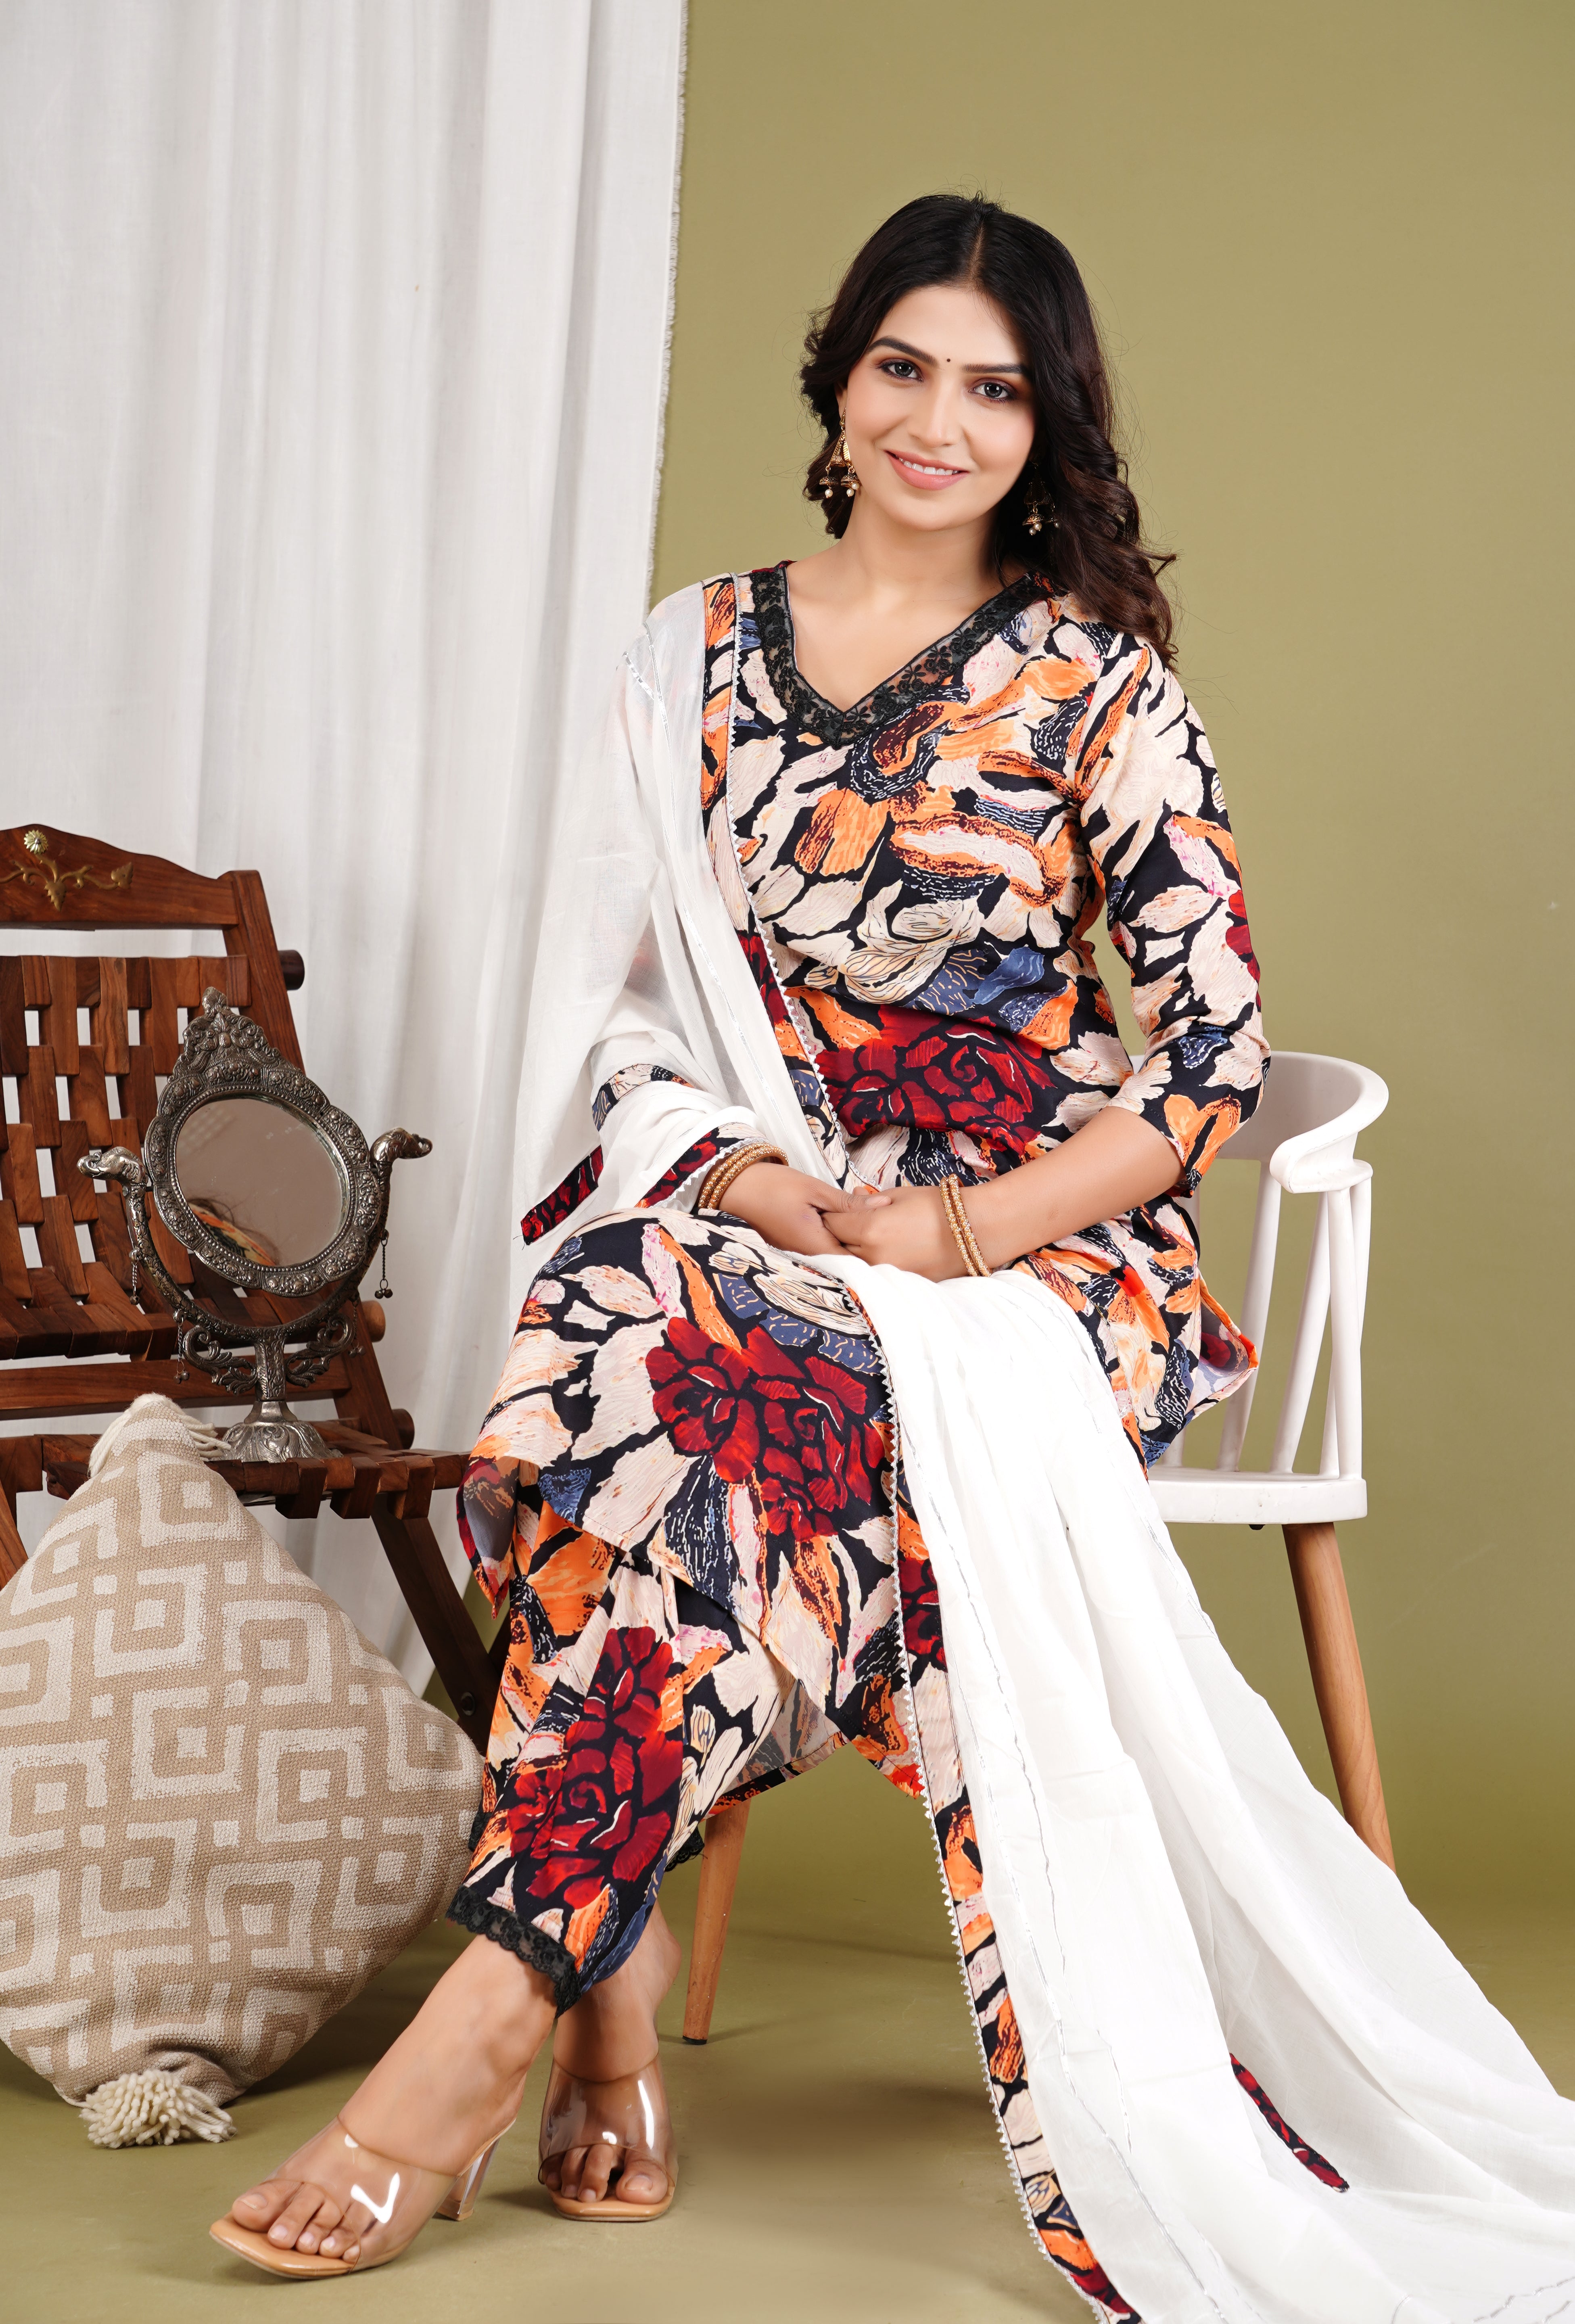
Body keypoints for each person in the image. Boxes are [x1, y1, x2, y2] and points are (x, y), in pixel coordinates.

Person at [211, 196, 1575, 2317]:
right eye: (904, 368)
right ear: (840, 382)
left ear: (1048, 428)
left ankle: (518, 2003)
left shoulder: (1100, 688)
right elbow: (620, 1016)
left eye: (995, 388)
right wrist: (765, 1190)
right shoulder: (690, 655)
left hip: (1046, 1256)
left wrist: (956, 1229)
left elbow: (1207, 1064)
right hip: (780, 1211)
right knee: (615, 1325)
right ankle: (593, 1978)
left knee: (707, 1381)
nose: (941, 422)